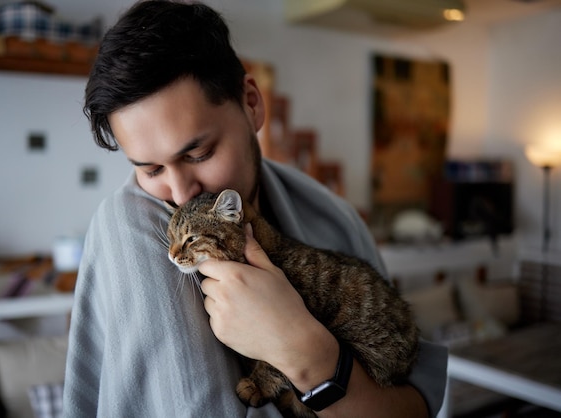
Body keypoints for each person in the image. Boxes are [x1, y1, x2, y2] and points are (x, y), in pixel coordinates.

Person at [62, 1, 448, 417]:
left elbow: (411, 407)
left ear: (252, 103)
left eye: (199, 153)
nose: (180, 194)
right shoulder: (131, 230)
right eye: (151, 168)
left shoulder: (335, 217)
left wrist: (305, 351)